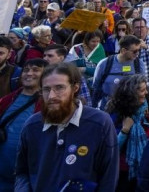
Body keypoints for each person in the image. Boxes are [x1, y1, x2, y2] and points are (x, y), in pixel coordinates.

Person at [15, 62, 119, 190]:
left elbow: (109, 177)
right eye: (46, 89)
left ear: (75, 88)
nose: (52, 96)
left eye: (59, 88)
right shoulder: (32, 125)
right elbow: (22, 171)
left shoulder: (100, 123)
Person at [0, 58, 47, 192]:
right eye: (26, 70)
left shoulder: (48, 105)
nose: (29, 73)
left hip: (26, 177)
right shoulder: (7, 99)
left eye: (36, 70)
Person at [106, 74, 149, 191]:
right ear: (131, 93)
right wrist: (125, 131)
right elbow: (111, 148)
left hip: (146, 166)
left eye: (146, 89)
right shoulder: (115, 111)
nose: (146, 93)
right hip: (123, 170)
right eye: (142, 90)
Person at [91, 34, 142, 109]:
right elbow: (95, 87)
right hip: (107, 108)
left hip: (130, 108)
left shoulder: (139, 64)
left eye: (139, 50)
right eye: (134, 51)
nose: (137, 54)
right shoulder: (104, 64)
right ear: (123, 50)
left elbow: (142, 87)